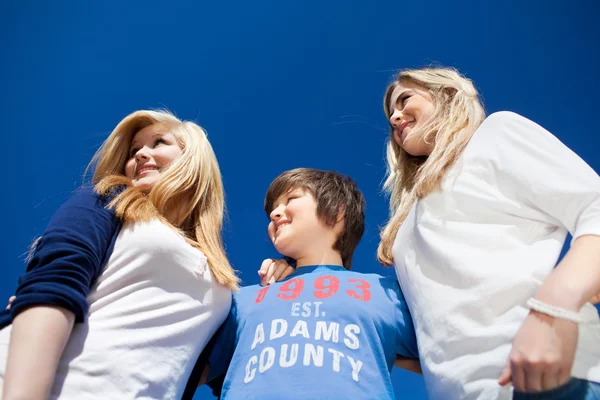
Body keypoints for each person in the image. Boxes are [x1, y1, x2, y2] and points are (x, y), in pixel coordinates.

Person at [377, 67, 600, 399]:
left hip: (548, 378)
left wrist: (553, 311)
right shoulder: (408, 227)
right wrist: (296, 279)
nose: (395, 117)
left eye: (404, 99)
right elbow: (430, 335)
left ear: (446, 93)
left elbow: (593, 207)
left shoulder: (494, 134)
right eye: (390, 115)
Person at [0, 109, 239, 399]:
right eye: (135, 150)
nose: (140, 155)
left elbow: (233, 363)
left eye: (158, 143)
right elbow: (51, 289)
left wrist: (290, 271)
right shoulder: (107, 202)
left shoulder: (221, 284)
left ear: (193, 157)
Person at [204, 168, 419, 400]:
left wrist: (381, 348)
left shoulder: (385, 293)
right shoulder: (241, 300)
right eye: (271, 211)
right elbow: (188, 367)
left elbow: (442, 355)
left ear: (337, 212)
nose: (275, 213)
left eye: (291, 199)